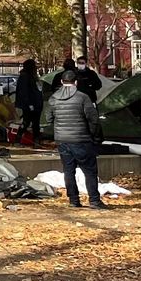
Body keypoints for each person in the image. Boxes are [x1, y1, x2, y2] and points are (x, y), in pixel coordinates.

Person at [47, 69, 107, 209]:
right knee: (90, 171)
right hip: (82, 139)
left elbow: (49, 119)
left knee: (68, 171)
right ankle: (94, 200)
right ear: (76, 82)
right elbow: (93, 119)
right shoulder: (83, 97)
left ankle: (73, 200)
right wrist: (96, 136)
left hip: (62, 139)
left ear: (62, 81)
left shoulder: (53, 98)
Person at [14, 59, 43, 146]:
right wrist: (29, 103)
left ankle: (35, 141)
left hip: (35, 103)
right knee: (27, 122)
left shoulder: (32, 76)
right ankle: (19, 140)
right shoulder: (25, 77)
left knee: (34, 123)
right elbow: (24, 92)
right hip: (30, 104)